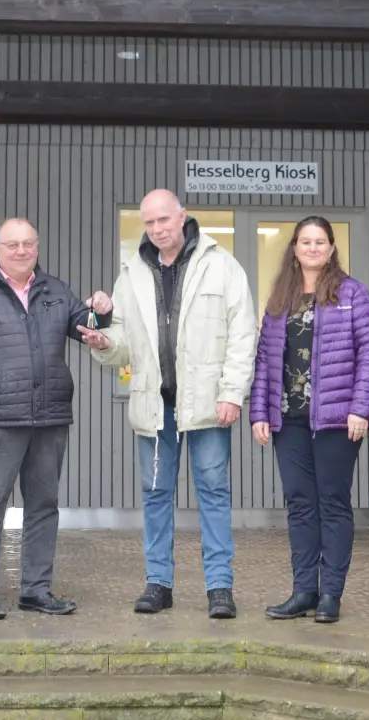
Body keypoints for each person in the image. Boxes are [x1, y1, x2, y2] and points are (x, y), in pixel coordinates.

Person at [79, 190, 256, 619]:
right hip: (155, 408)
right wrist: (102, 338)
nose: (157, 229)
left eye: (164, 220)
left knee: (213, 493)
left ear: (182, 218)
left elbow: (243, 333)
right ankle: (158, 583)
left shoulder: (221, 265)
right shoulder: (131, 273)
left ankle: (219, 587)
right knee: (156, 494)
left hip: (209, 405)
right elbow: (121, 347)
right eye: (149, 222)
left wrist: (232, 392)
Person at [0, 217, 113, 620]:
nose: (21, 251)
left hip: (48, 417)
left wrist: (102, 314)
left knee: (44, 504)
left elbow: (84, 325)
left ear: (37, 246)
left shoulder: (54, 290)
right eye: (12, 244)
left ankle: (36, 589)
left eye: (28, 243)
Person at [249, 217, 369, 624]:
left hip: (337, 419)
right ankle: (304, 590)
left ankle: (331, 594)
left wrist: (360, 407)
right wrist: (259, 413)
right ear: (294, 247)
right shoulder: (279, 299)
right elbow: (265, 361)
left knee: (332, 503)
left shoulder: (351, 293)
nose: (312, 248)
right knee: (300, 504)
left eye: (319, 241)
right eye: (305, 242)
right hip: (288, 419)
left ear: (331, 247)